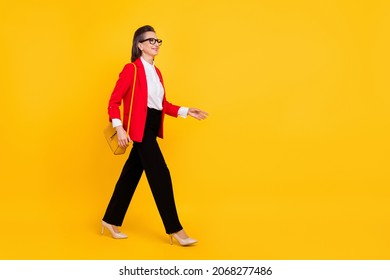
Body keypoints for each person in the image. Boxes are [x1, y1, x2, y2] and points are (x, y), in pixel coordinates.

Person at [101, 25, 208, 246]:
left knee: (130, 176)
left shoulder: (157, 72)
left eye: (158, 41)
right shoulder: (132, 69)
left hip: (151, 126)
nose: (156, 44)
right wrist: (120, 127)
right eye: (151, 41)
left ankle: (110, 220)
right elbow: (114, 101)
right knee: (160, 173)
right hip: (138, 130)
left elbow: (162, 105)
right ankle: (175, 229)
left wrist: (187, 111)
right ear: (139, 45)